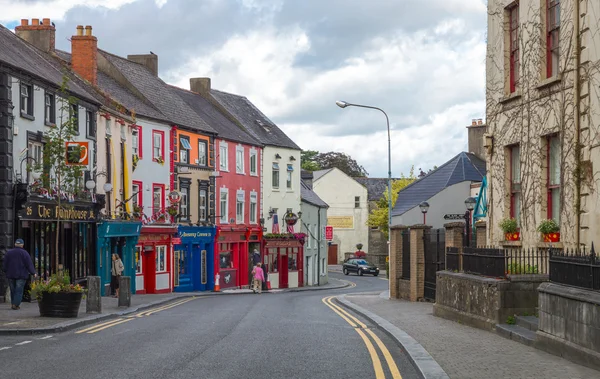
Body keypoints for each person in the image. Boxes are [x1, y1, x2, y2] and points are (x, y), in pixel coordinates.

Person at [2, 239, 36, 310]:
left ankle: (13, 304)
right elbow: (29, 264)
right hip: (21, 275)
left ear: (15, 244)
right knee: (19, 290)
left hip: (11, 274)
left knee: (13, 290)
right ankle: (15, 304)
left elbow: (5, 264)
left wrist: (5, 270)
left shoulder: (9, 253)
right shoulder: (25, 253)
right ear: (22, 245)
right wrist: (33, 272)